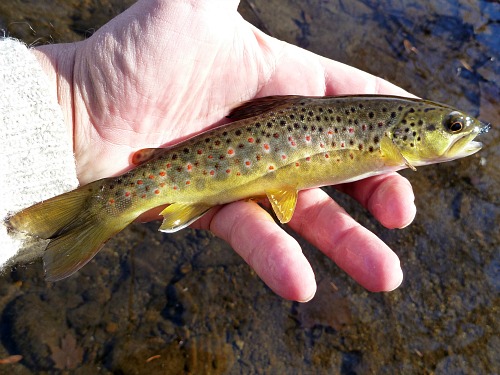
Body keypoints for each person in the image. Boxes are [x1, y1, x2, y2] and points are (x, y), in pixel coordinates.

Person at [0, 0, 416, 302]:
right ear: (403, 133)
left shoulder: (381, 136)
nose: (467, 134)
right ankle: (91, 209)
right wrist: (74, 98)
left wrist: (69, 100)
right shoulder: (382, 138)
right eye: (452, 127)